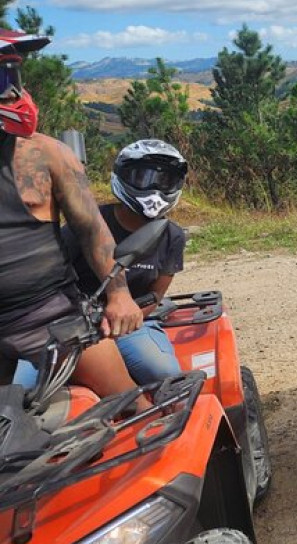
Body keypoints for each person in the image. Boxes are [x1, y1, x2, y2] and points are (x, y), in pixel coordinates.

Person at [0, 29, 146, 405]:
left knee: (134, 408)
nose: (11, 93)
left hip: (48, 315)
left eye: (12, 77)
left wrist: (119, 295)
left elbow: (91, 229)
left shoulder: (48, 154)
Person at [13, 139, 189, 387]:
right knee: (19, 387)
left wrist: (126, 319)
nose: (153, 187)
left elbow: (155, 296)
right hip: (74, 323)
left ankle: (163, 420)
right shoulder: (90, 226)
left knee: (164, 373)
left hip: (131, 325)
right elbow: (53, 279)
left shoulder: (172, 236)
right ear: (123, 177)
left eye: (164, 180)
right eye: (143, 177)